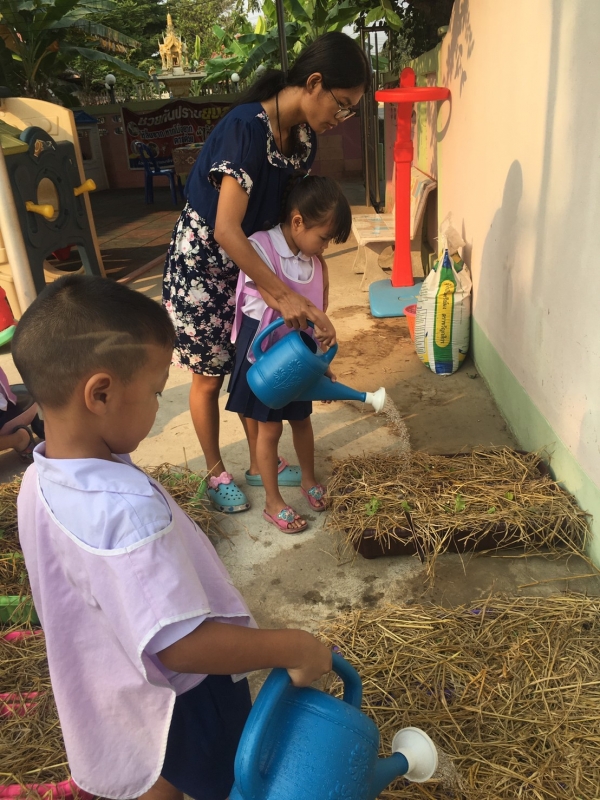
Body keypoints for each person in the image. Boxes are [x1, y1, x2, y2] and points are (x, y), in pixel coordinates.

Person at [12, 275, 332, 800]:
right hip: (183, 699)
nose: (160, 405)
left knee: (154, 769)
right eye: (157, 391)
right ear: (101, 393)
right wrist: (292, 646)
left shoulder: (39, 479)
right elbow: (183, 646)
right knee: (219, 782)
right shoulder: (125, 512)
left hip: (113, 683)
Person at [162, 31, 370, 514]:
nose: (340, 119)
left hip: (255, 267)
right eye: (341, 105)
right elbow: (226, 229)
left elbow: (288, 218)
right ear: (313, 83)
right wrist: (283, 295)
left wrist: (302, 272)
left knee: (253, 369)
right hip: (205, 269)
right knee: (209, 377)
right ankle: (216, 471)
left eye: (349, 112)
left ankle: (262, 463)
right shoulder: (246, 129)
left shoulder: (302, 141)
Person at [226, 176, 351, 533]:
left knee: (301, 420)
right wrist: (317, 317)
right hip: (266, 356)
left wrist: (321, 364)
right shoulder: (260, 246)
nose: (325, 247)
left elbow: (315, 325)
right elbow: (271, 295)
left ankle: (308, 479)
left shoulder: (317, 264)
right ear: (297, 221)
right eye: (323, 237)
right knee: (269, 428)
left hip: (298, 356)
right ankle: (273, 501)